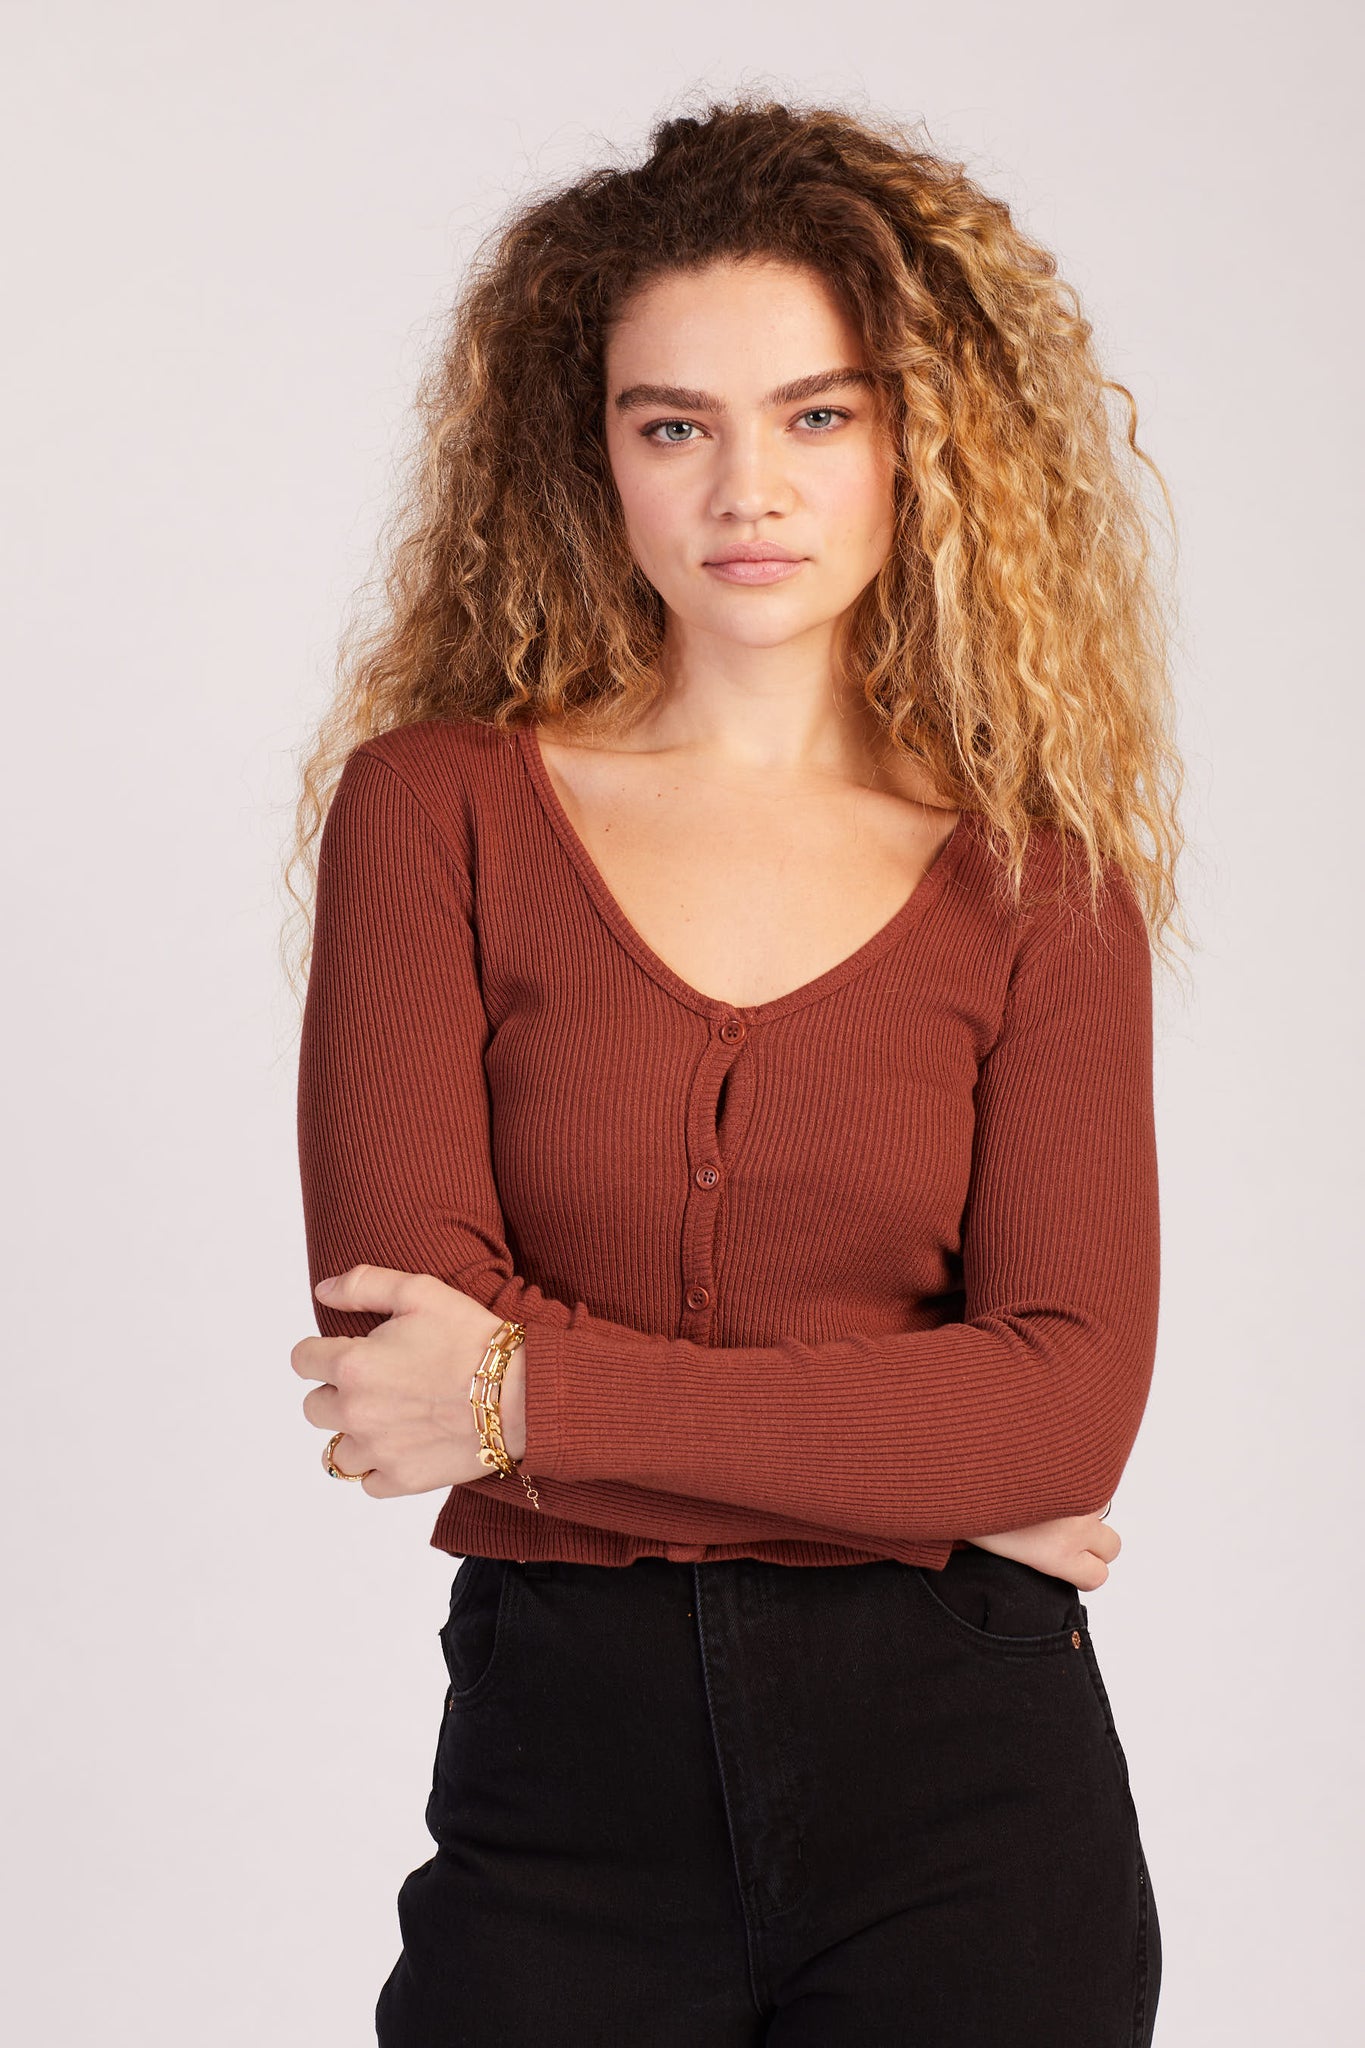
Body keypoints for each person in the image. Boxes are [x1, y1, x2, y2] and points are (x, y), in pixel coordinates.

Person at [285, 92, 1185, 2047]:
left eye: (815, 414)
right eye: (671, 424)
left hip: (973, 1812)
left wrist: (527, 1394)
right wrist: (914, 1480)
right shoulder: (435, 812)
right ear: (592, 452)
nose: (744, 490)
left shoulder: (1040, 890)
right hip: (560, 1796)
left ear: (918, 442)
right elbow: (394, 1345)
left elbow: (1060, 1412)